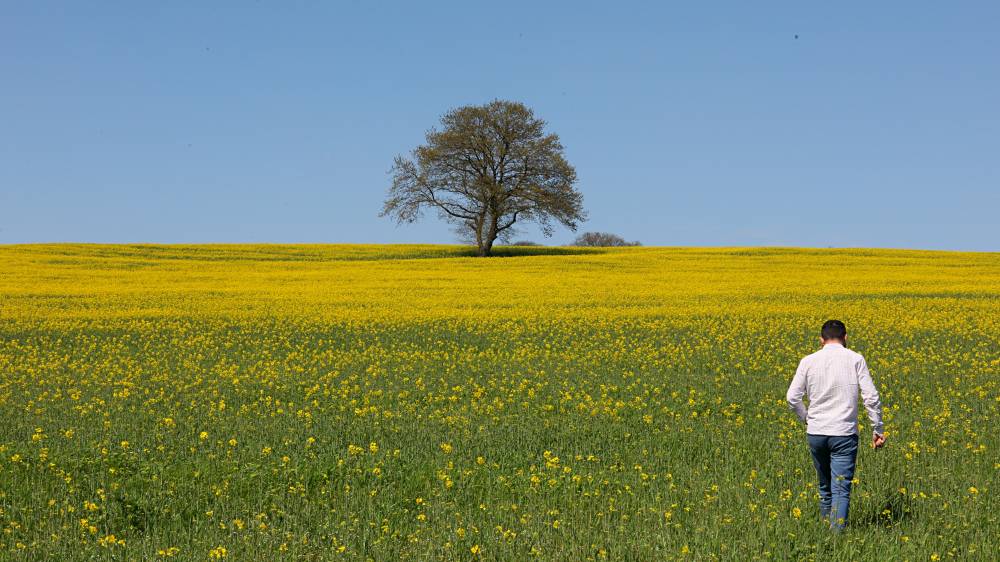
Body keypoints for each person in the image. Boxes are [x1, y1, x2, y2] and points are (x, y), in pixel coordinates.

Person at [786, 320, 886, 530]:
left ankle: (825, 534)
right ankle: (835, 540)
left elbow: (792, 398)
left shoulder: (808, 361)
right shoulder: (856, 359)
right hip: (844, 433)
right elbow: (871, 397)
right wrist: (877, 429)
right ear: (845, 337)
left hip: (816, 432)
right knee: (841, 489)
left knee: (825, 487)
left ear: (821, 340)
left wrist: (807, 418)